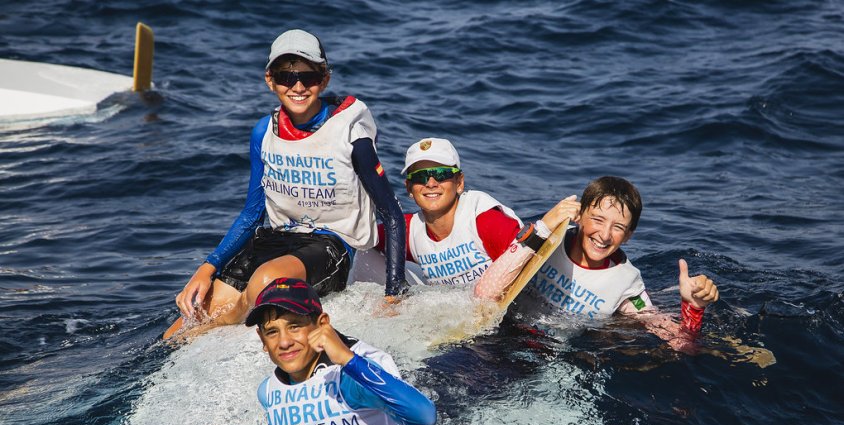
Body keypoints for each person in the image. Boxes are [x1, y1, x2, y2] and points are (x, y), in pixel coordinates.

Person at [165, 29, 407, 339]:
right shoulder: (264, 132)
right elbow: (252, 214)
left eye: (309, 76)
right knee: (184, 321)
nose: (298, 87)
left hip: (332, 248)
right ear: (270, 80)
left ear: (325, 78)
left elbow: (391, 211)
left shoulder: (350, 133)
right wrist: (206, 268)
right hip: (277, 241)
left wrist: (394, 293)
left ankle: (209, 334)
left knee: (264, 281)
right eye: (285, 76)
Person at [194, 278, 461, 425]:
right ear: (262, 340)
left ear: (322, 323)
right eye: (272, 331)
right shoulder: (269, 391)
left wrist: (348, 360)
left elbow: (424, 416)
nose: (284, 342)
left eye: (295, 326)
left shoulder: (349, 375)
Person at [474, 175, 720, 351]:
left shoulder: (626, 281)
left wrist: (693, 308)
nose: (604, 235)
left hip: (550, 358)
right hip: (496, 336)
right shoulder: (550, 241)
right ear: (579, 217)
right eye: (598, 220)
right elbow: (484, 294)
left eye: (618, 227)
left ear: (629, 235)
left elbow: (680, 343)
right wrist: (542, 228)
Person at [376, 137, 577, 286]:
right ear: (409, 188)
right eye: (420, 177)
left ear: (459, 183)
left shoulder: (483, 218)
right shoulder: (407, 228)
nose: (430, 183)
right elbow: (365, 240)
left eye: (441, 174)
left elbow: (527, 266)